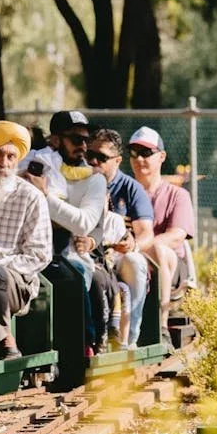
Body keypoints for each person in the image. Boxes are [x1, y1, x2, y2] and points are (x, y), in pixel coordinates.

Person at [22, 110, 109, 355]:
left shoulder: (94, 180)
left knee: (75, 273)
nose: (83, 145)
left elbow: (82, 223)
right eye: (75, 139)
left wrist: (44, 197)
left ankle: (82, 346)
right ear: (56, 140)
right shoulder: (39, 164)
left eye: (86, 139)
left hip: (68, 255)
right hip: (30, 250)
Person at [0, 121, 52, 360]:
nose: (3, 163)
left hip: (14, 282)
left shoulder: (31, 197)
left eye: (11, 156)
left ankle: (5, 341)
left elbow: (39, 255)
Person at [86, 128, 155, 348]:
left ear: (117, 160)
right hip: (86, 252)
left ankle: (128, 340)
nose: (94, 162)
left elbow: (146, 234)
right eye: (90, 156)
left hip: (116, 254)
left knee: (135, 262)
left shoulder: (130, 188)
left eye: (102, 158)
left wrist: (133, 244)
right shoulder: (78, 178)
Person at [127, 126, 195, 343]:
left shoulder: (178, 195)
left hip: (171, 264)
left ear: (161, 157)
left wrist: (140, 246)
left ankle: (162, 326)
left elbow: (177, 235)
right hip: (130, 257)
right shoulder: (121, 192)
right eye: (134, 153)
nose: (139, 159)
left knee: (158, 249)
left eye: (146, 153)